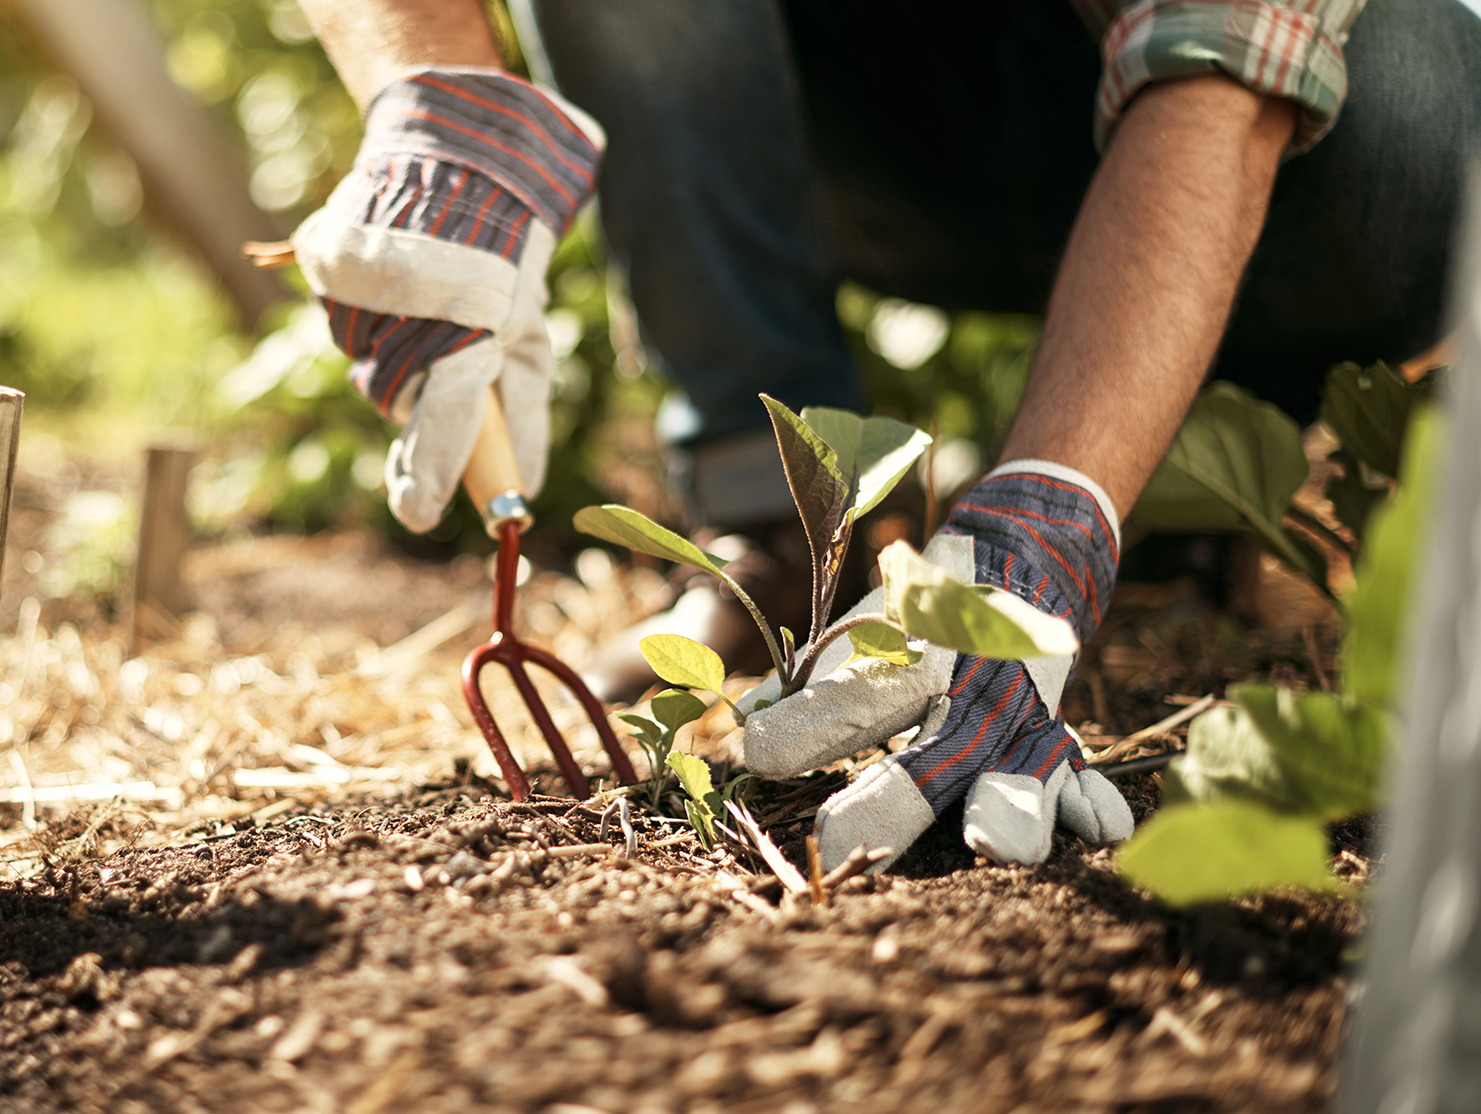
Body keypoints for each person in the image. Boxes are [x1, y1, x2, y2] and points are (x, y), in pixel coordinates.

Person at [284, 0, 1481, 870]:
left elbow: (1228, 61)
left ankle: (1178, 470)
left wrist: (1048, 521)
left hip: (1284, 136)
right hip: (871, 128)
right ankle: (781, 521)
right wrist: (433, 91)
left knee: (1410, 116)